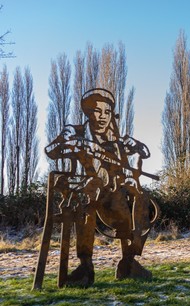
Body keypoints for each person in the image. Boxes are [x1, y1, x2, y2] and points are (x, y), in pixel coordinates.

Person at [45, 88, 154, 286]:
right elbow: (51, 151)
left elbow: (145, 152)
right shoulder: (76, 131)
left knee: (142, 197)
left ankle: (129, 261)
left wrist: (135, 145)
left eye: (107, 112)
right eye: (97, 111)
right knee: (88, 195)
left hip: (114, 199)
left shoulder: (116, 139)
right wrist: (68, 140)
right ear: (88, 112)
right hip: (87, 193)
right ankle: (85, 266)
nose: (103, 116)